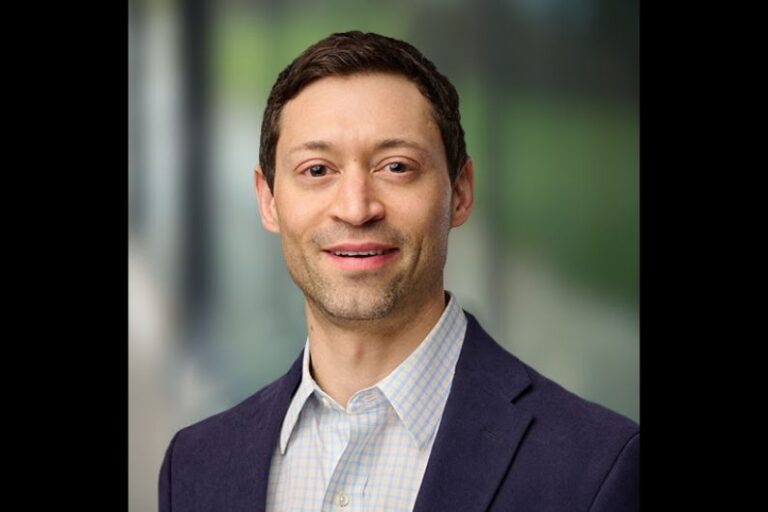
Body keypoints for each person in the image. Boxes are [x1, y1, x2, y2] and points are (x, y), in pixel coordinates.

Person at [158, 31, 639, 512]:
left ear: (461, 192)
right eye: (317, 170)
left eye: (396, 167)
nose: (356, 209)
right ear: (268, 200)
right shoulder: (194, 467)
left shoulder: (597, 468)